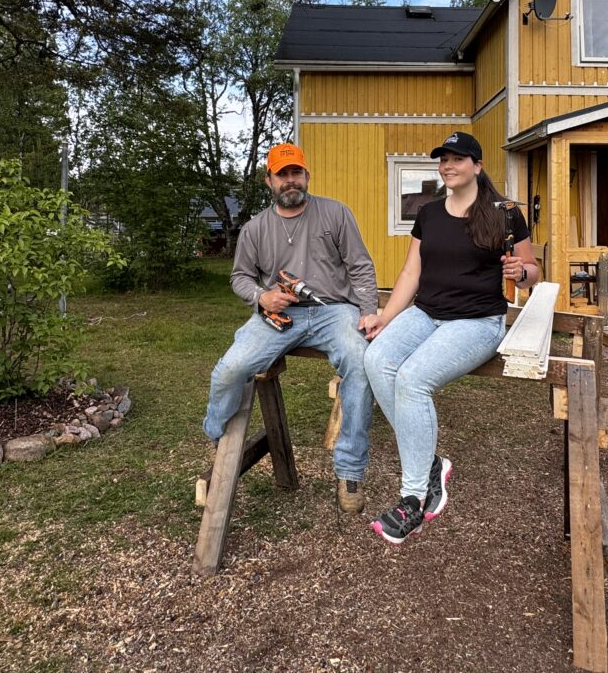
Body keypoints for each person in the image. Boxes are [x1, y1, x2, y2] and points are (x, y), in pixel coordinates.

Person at [361, 131, 539, 544]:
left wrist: (520, 274)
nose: (447, 166)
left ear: (477, 166)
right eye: (443, 160)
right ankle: (431, 465)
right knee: (376, 360)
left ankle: (413, 497)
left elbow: (533, 270)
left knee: (412, 380)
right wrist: (386, 318)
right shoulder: (429, 212)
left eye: (457, 159)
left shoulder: (505, 213)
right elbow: (411, 273)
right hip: (426, 313)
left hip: (477, 322)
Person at [203, 142, 379, 513]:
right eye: (282, 174)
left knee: (361, 363)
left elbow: (360, 266)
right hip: (281, 316)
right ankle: (217, 437)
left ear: (306, 176)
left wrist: (368, 311)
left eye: (296, 172)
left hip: (335, 311)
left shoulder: (335, 213)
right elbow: (239, 277)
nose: (290, 180)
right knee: (231, 369)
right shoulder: (254, 229)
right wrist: (261, 297)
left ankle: (349, 472)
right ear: (269, 180)